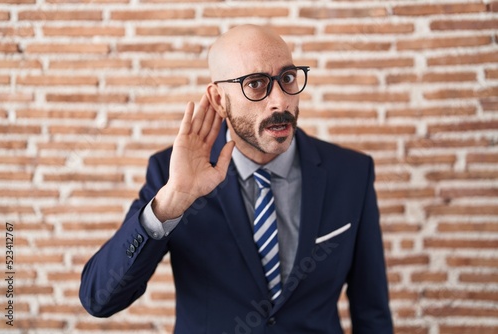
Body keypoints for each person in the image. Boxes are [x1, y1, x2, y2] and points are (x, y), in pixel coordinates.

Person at [79, 24, 393, 333]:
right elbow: (100, 299)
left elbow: (371, 311)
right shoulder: (170, 175)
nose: (280, 101)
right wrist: (171, 202)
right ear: (218, 100)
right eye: (255, 84)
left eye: (287, 78)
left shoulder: (351, 172)